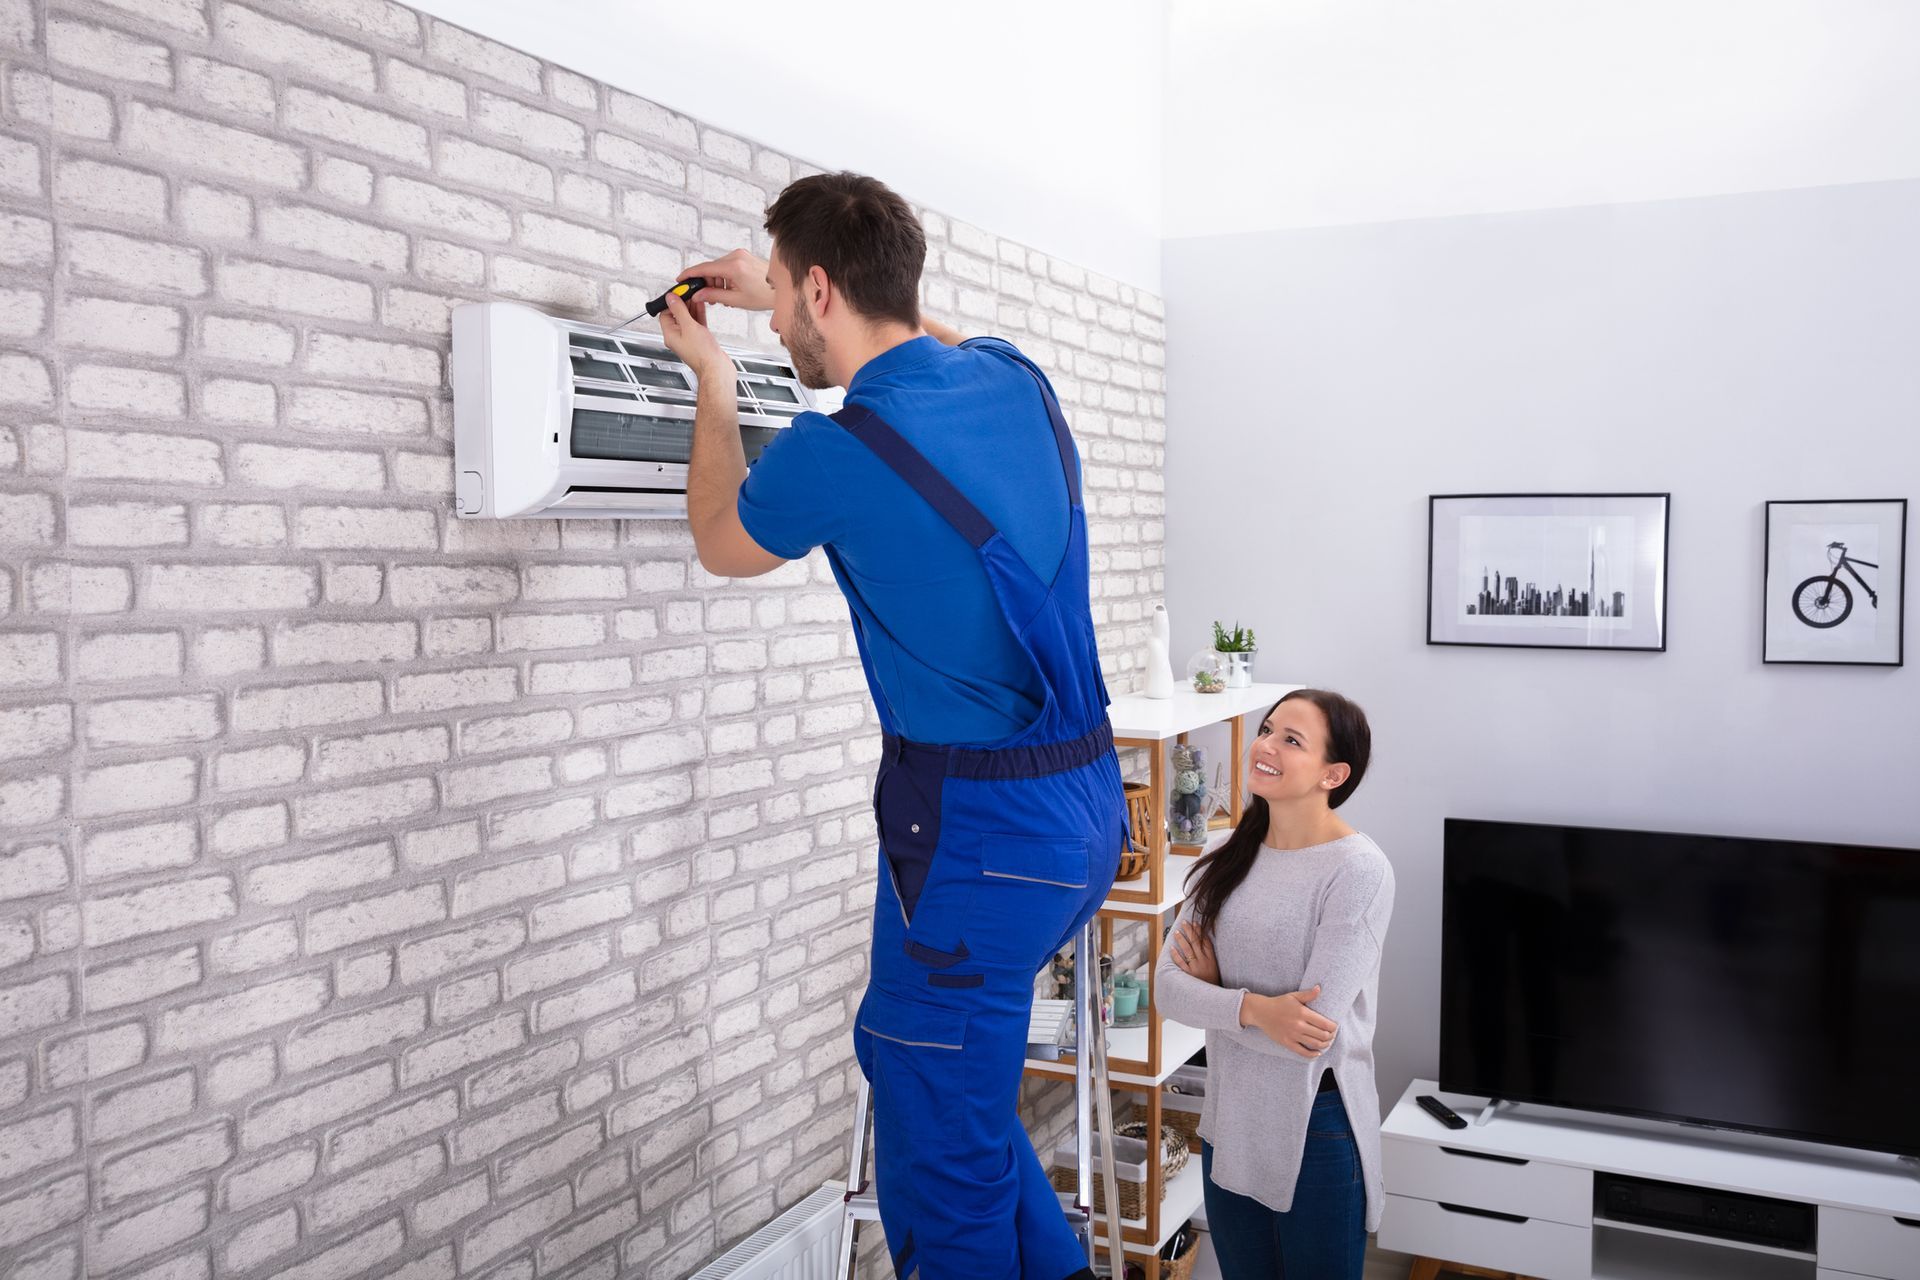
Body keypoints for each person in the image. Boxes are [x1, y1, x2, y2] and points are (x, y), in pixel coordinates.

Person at [655, 172, 1126, 1280]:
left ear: (820, 289)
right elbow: (933, 340)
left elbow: (722, 539)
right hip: (1083, 815)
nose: (771, 318)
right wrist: (793, 280)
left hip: (978, 839)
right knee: (927, 1074)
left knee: (937, 1158)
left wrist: (714, 378)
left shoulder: (835, 449)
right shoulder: (1021, 384)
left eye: (778, 296)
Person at [1154, 689, 1392, 1279]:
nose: (1265, 746)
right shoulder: (1224, 854)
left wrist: (1215, 995)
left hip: (1316, 1127)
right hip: (1229, 1121)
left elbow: (1309, 1036)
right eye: (1267, 730)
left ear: (1333, 774)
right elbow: (1165, 991)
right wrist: (1256, 1009)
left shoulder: (1358, 870)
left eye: (1292, 740)